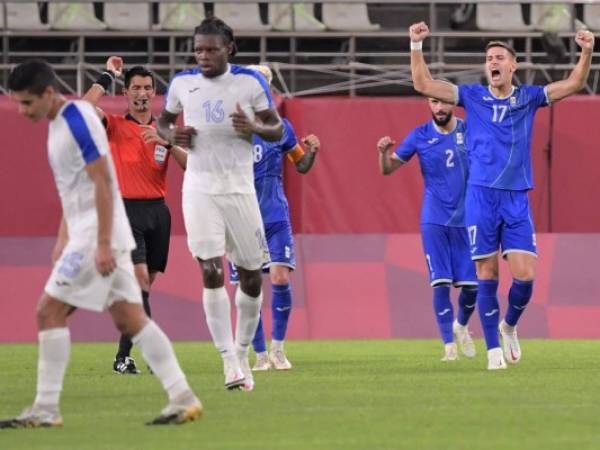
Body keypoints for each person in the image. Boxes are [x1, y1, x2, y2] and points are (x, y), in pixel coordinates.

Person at [0, 60, 201, 428]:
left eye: (26, 103)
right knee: (131, 317)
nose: (21, 111)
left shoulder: (75, 122)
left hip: (97, 234)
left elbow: (104, 184)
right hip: (95, 232)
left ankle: (46, 409)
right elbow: (73, 187)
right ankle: (183, 397)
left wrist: (104, 243)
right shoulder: (67, 120)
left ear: (48, 94)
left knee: (48, 311)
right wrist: (63, 236)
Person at [409, 21, 595, 369]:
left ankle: (508, 326)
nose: (492, 62)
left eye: (499, 57)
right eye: (488, 58)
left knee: (525, 275)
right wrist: (416, 45)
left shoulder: (528, 98)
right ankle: (493, 351)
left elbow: (575, 83)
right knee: (487, 274)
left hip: (515, 198)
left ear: (513, 66)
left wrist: (586, 51)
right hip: (480, 198)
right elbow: (423, 84)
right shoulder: (472, 96)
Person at [157, 18, 284, 391]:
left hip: (241, 191)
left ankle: (243, 351)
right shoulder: (182, 84)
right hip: (199, 188)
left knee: (250, 276)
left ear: (229, 48)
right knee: (211, 270)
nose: (204, 56)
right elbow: (164, 124)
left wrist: (255, 128)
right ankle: (228, 360)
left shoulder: (249, 82)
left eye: (212, 49)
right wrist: (173, 134)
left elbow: (276, 128)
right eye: (199, 49)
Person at [82, 57, 187, 375]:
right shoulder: (114, 125)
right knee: (140, 282)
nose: (142, 93)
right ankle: (151, 354)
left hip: (159, 212)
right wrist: (106, 76)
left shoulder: (165, 129)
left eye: (147, 87)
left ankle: (123, 356)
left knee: (144, 287)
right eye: (136, 88)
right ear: (126, 93)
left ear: (155, 93)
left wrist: (167, 144)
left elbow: (192, 167)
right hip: (127, 210)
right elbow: (85, 109)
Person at [228, 65, 320, 371]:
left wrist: (312, 153)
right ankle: (260, 354)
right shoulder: (232, 127)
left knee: (280, 277)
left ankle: (278, 349)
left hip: (275, 214)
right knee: (248, 286)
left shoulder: (282, 127)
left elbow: (301, 165)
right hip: (242, 218)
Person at [377, 97, 478, 361]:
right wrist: (382, 154)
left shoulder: (470, 130)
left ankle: (462, 325)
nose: (440, 108)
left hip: (468, 220)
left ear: (453, 104)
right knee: (440, 283)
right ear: (429, 104)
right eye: (435, 102)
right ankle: (449, 347)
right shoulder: (419, 135)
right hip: (434, 219)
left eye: (445, 102)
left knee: (472, 287)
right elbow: (388, 170)